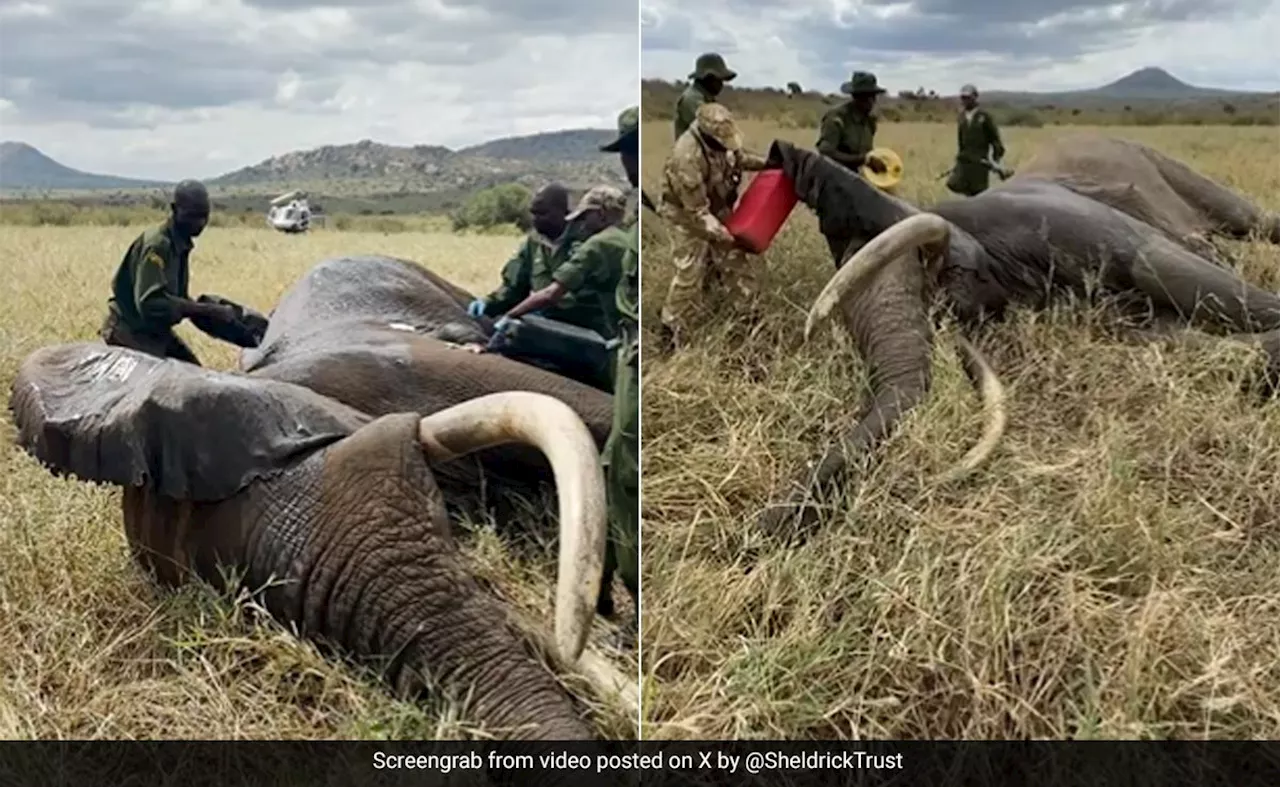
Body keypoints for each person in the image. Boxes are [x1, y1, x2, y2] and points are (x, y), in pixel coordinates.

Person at [657, 102, 767, 348]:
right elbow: (698, 213)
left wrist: (770, 163)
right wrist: (726, 235)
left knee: (736, 264)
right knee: (688, 272)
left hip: (715, 209)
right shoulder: (686, 156)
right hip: (685, 216)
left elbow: (739, 158)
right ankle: (670, 330)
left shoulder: (721, 142)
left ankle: (749, 321)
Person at [100, 179, 245, 365]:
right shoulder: (158, 245)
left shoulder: (179, 243)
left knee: (194, 372)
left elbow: (172, 298)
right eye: (192, 216)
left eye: (204, 216)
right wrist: (206, 310)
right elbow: (150, 303)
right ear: (175, 209)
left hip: (154, 332)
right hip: (131, 330)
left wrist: (212, 316)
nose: (199, 223)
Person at [596, 105, 641, 631]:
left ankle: (636, 600)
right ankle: (604, 586)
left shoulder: (646, 210)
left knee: (627, 468)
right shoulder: (633, 210)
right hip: (625, 353)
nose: (628, 161)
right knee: (613, 463)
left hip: (639, 356)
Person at [488, 185, 629, 342]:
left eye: (585, 216)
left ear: (601, 215)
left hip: (596, 328)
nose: (583, 223)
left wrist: (509, 317)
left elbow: (551, 294)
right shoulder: (629, 239)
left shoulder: (598, 243)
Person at [467, 183, 574, 322]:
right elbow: (514, 287)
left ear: (564, 212)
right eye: (533, 213)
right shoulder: (534, 243)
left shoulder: (584, 243)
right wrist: (489, 303)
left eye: (543, 213)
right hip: (542, 319)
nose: (536, 220)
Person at [817, 71, 889, 178]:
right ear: (856, 97)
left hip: (859, 177)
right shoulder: (837, 118)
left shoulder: (870, 121)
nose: (872, 101)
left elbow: (867, 152)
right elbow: (826, 153)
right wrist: (862, 160)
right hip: (833, 177)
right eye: (867, 97)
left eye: (873, 96)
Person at [946, 83, 1007, 197]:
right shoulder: (962, 116)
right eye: (963, 98)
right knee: (957, 185)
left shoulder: (984, 116)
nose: (965, 101)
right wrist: (959, 158)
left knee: (979, 192)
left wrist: (995, 161)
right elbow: (961, 140)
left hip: (980, 161)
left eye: (968, 98)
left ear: (975, 97)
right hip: (965, 160)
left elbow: (995, 140)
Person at [674, 52, 737, 140]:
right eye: (718, 80)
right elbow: (714, 131)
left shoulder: (706, 98)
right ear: (708, 78)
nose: (721, 85)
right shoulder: (692, 99)